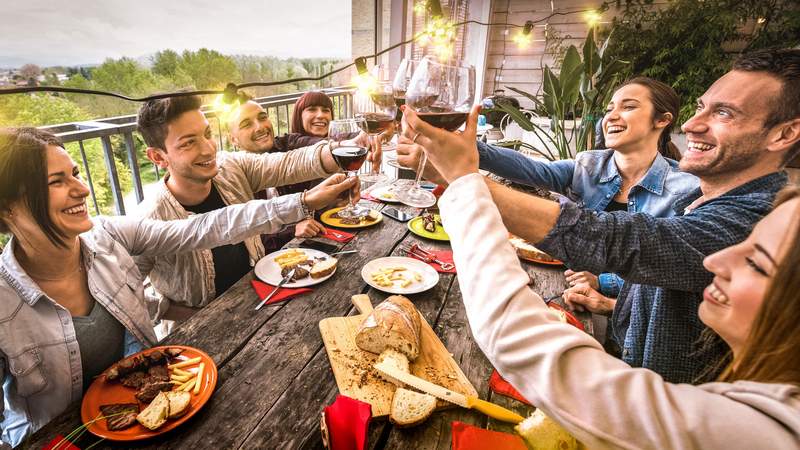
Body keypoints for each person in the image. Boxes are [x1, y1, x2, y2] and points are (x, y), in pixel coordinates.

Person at [398, 48, 800, 383]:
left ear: (785, 134)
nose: (694, 125)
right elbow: (661, 274)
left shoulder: (761, 218)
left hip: (664, 410)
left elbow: (626, 243)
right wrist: (463, 154)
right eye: (700, 109)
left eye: (725, 114)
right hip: (621, 354)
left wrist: (465, 180)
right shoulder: (597, 165)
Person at [434, 122, 800, 447]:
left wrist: (466, 188)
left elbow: (526, 342)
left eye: (756, 262)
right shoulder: (595, 165)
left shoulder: (754, 431)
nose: (714, 261)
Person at [0, 127, 355, 447]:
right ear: (6, 209)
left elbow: (201, 229)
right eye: (56, 181)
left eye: (76, 173)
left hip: (149, 416)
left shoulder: (106, 235)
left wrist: (303, 202)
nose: (83, 189)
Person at [464, 77, 699, 320]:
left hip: (629, 315)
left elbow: (671, 266)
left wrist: (604, 282)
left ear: (662, 119)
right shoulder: (589, 164)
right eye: (609, 109)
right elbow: (533, 170)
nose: (612, 116)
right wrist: (469, 145)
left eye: (628, 107)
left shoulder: (683, 190)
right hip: (568, 287)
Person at [135, 95, 351, 324]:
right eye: (188, 142)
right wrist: (190, 315)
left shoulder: (230, 167)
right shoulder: (148, 217)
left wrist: (349, 148)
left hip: (261, 306)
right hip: (198, 333)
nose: (208, 150)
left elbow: (291, 162)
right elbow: (121, 295)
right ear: (158, 157)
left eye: (207, 134)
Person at [227, 99, 327, 247]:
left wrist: (357, 142)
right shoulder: (230, 178)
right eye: (246, 124)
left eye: (262, 118)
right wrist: (293, 230)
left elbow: (320, 147)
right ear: (233, 140)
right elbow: (248, 239)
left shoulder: (287, 145)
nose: (260, 127)